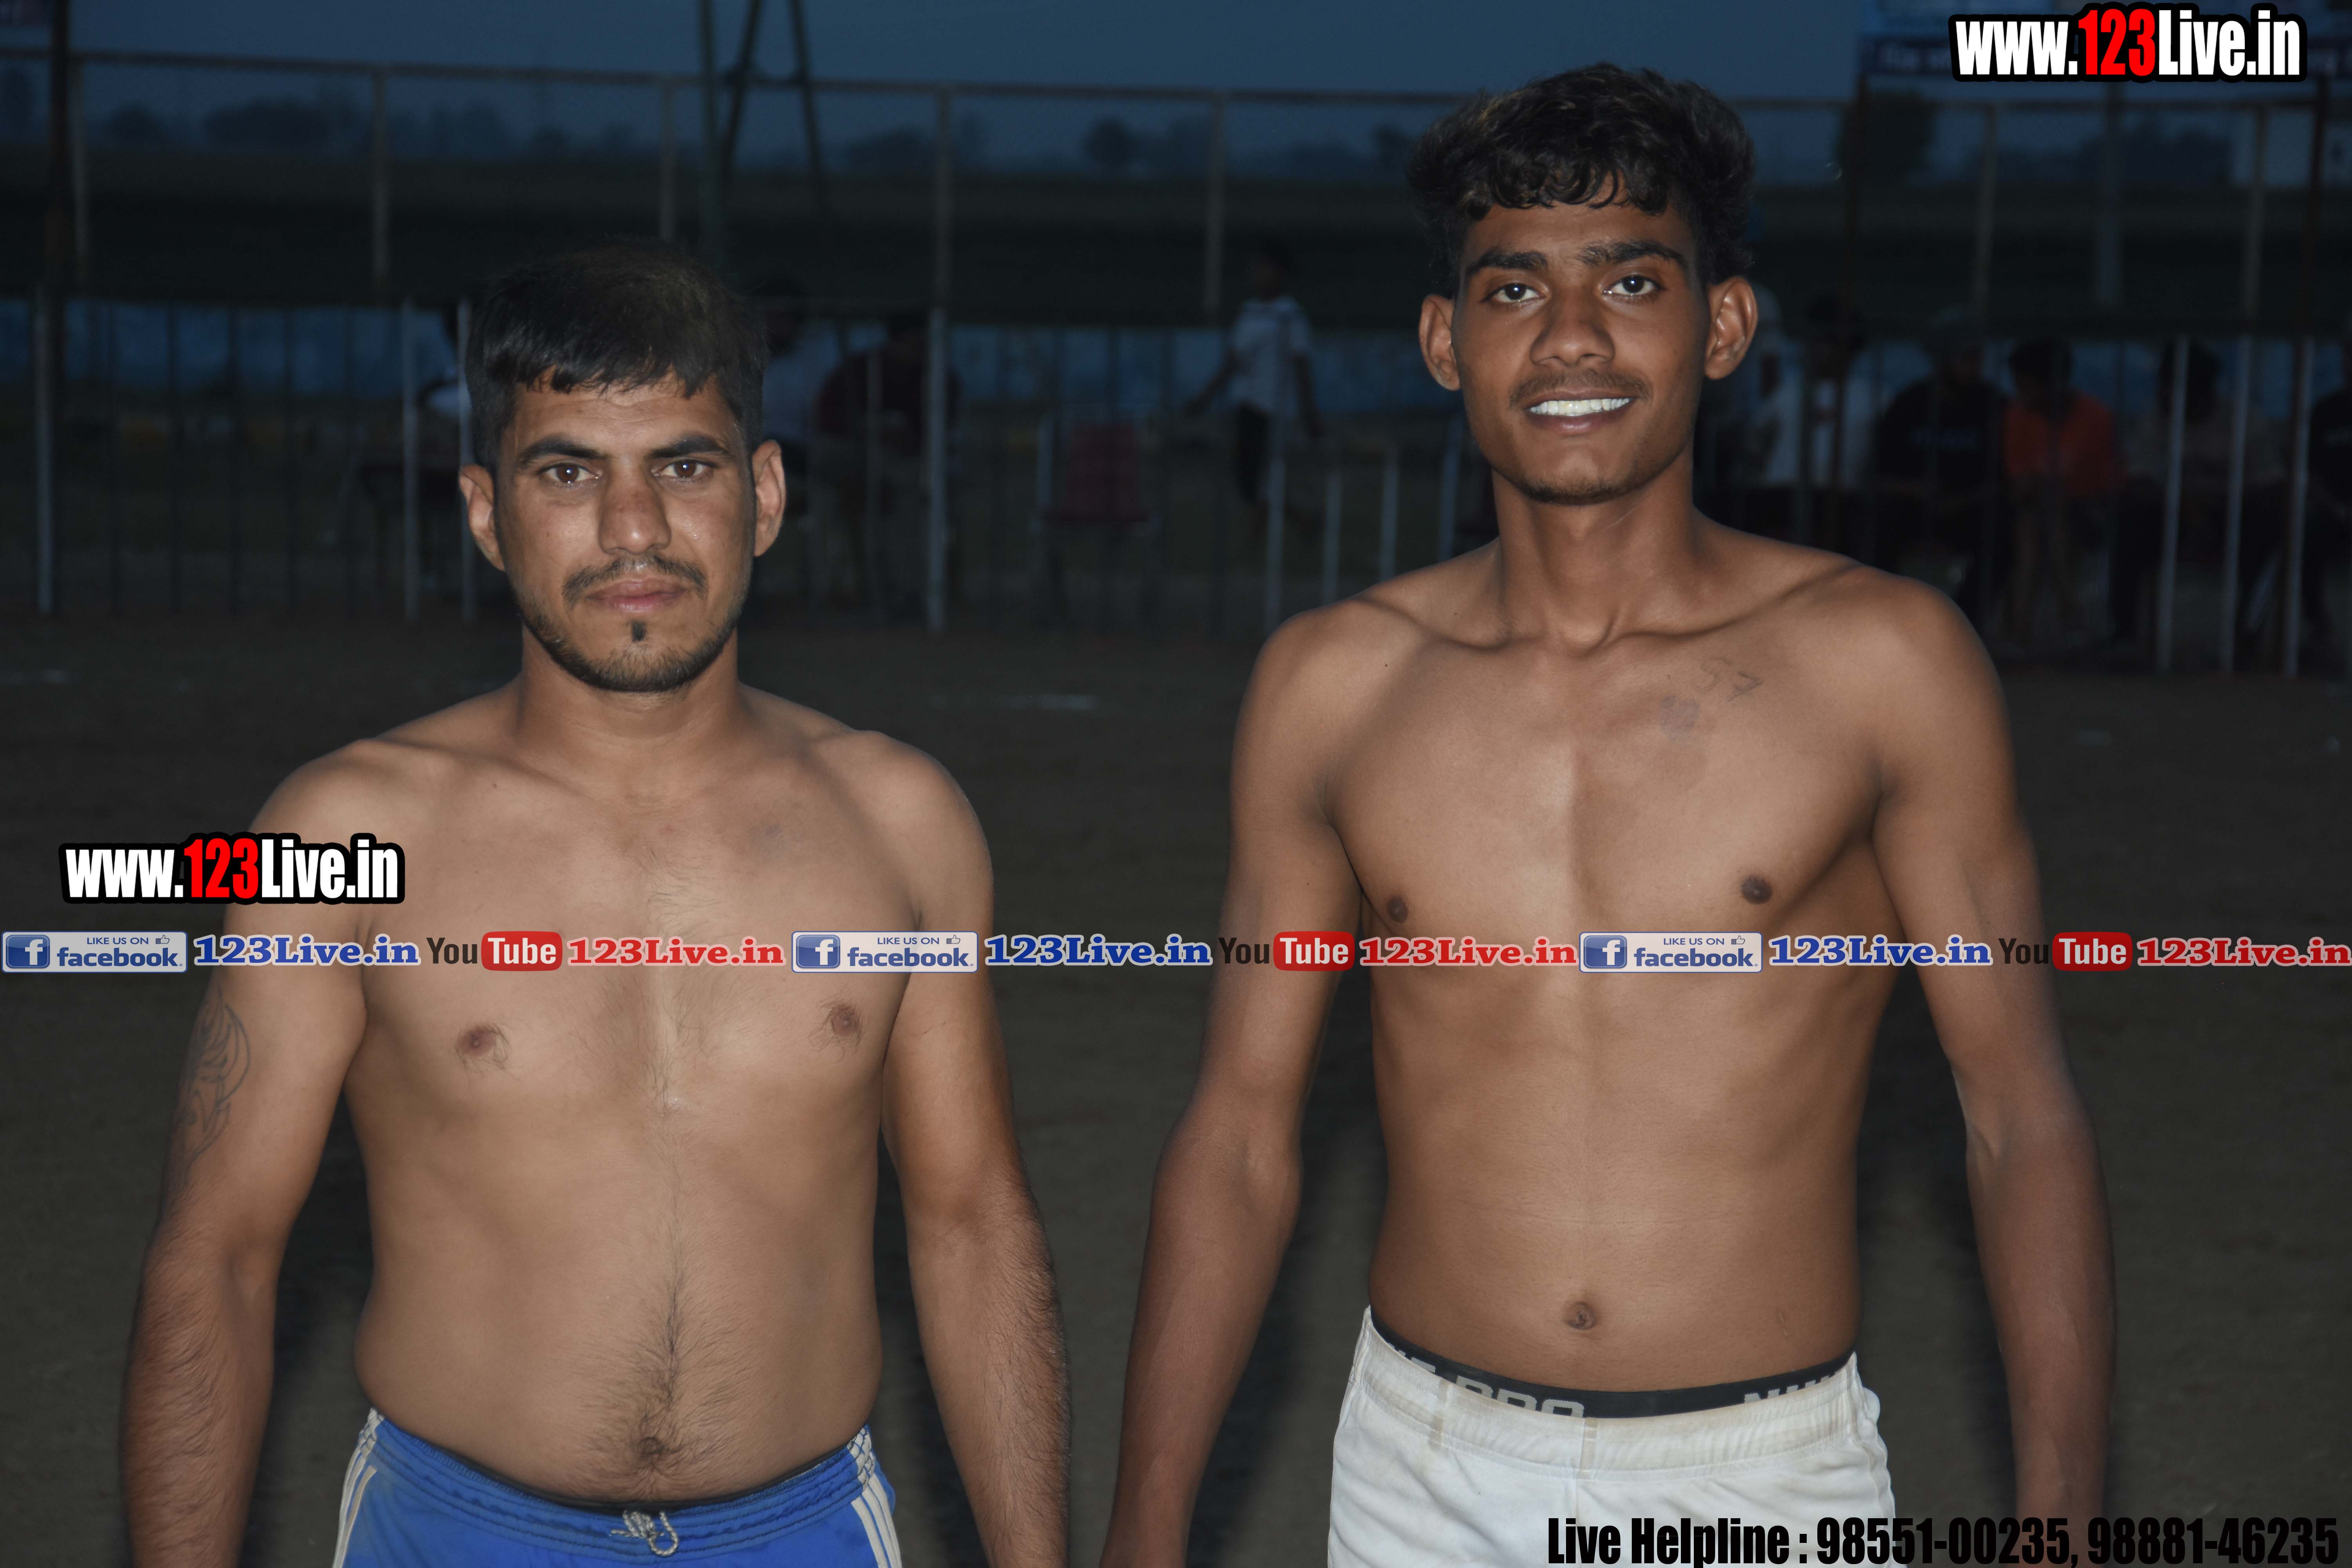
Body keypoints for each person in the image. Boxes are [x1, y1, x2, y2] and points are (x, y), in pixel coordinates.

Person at [1100, 64, 2110, 1568]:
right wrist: (1142, 1528)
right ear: (1445, 341)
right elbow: (1240, 1135)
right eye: (1514, 288)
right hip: (1417, 1475)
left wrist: (2064, 1525)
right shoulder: (1332, 687)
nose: (1571, 337)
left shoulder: (1885, 667)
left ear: (1724, 324)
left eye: (1631, 281)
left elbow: (2018, 1114)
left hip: (1758, 1482)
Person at [120, 243, 1067, 1568]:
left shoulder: (904, 822)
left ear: (766, 494)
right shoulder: (340, 836)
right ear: (485, 511)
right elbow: (214, 1259)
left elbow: (971, 1227)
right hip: (452, 1532)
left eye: (684, 466)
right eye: (568, 473)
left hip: (804, 1531)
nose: (634, 531)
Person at [2117, 339, 2281, 654]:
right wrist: (2184, 504)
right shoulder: (2156, 420)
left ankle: (2246, 635)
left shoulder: (2243, 421)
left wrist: (2219, 505)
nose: (2165, 397)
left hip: (2232, 517)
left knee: (2269, 525)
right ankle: (2123, 633)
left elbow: (2270, 483)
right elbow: (2139, 479)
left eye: (2175, 391)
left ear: (2201, 392)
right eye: (2164, 389)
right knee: (2131, 519)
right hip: (2172, 516)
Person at [812, 311, 957, 617]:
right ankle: (847, 590)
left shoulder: (937, 377)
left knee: (906, 508)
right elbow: (827, 419)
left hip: (907, 471)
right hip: (855, 467)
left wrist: (903, 439)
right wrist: (868, 429)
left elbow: (942, 430)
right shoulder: (861, 371)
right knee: (848, 509)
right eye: (910, 343)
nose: (916, 351)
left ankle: (906, 593)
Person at [1185, 239, 1325, 533]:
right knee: (1248, 477)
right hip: (1247, 405)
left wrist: (1309, 412)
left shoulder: (1290, 315)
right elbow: (1231, 363)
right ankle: (1301, 524)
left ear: (1281, 273)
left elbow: (1302, 366)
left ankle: (1267, 534)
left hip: (1274, 408)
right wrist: (1203, 399)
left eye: (1265, 268)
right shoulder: (1249, 312)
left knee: (1264, 478)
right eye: (1256, 268)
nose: (1258, 274)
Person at [1872, 308, 2008, 604]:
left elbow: (2007, 477)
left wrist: (1967, 499)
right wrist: (1914, 490)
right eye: (1966, 358)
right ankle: (1887, 611)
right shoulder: (1910, 405)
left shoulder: (1993, 405)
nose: (1975, 367)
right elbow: (1879, 473)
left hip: (1971, 510)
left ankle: (1967, 619)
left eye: (1978, 358)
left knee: (2001, 532)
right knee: (1874, 527)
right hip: (1913, 507)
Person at [2002, 338, 2120, 649]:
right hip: (2032, 513)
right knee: (2035, 522)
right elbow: (2019, 481)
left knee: (2047, 516)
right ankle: (2066, 613)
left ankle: (2023, 626)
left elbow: (2106, 482)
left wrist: (2055, 487)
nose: (2021, 393)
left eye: (2027, 386)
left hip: (2087, 514)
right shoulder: (2019, 415)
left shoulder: (2095, 418)